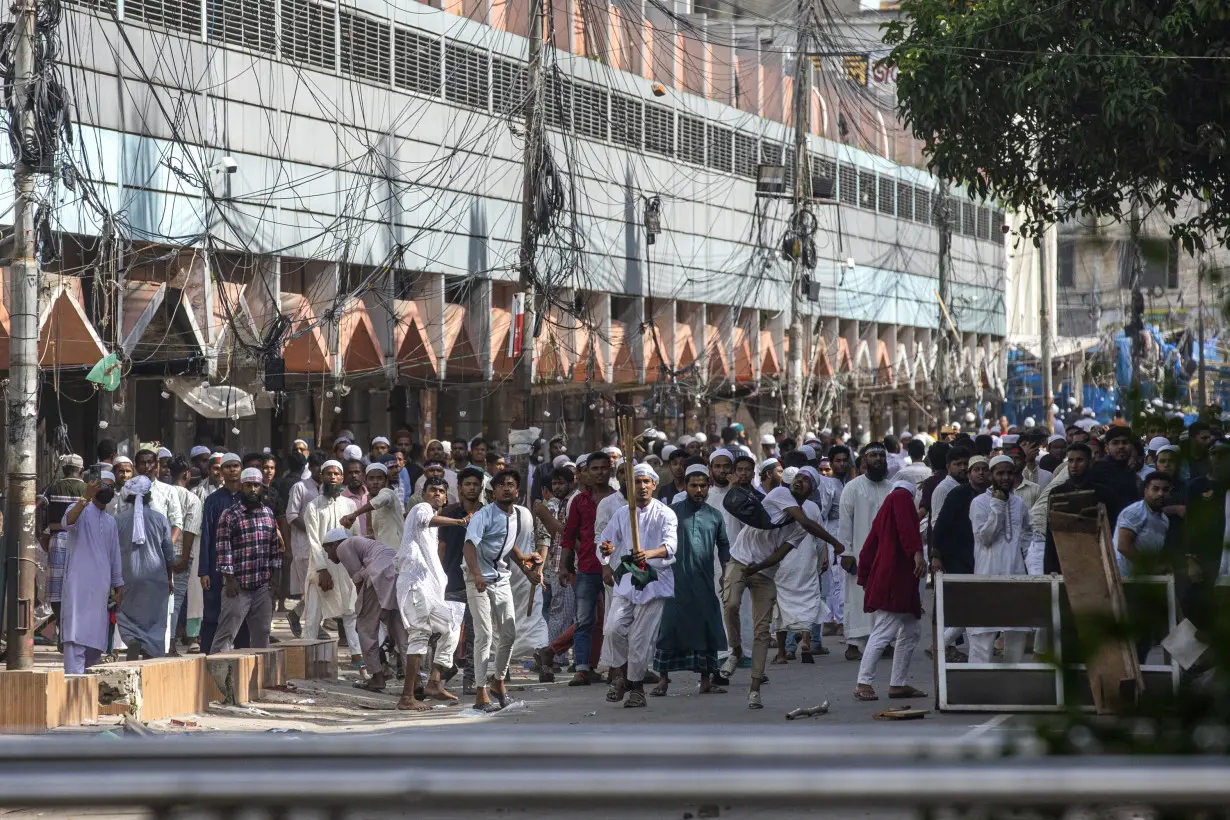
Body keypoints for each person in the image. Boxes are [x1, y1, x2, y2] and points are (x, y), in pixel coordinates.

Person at [722, 468, 836, 708]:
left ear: (812, 490)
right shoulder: (781, 493)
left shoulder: (797, 528)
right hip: (740, 559)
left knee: (762, 630)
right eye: (799, 478)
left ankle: (755, 690)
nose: (800, 482)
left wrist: (759, 567)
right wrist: (835, 543)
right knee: (731, 604)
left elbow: (778, 555)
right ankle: (735, 651)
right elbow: (805, 521)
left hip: (764, 571)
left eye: (806, 481)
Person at [598, 463, 677, 708]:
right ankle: (625, 678)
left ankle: (637, 689)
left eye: (646, 482)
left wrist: (649, 553)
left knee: (640, 640)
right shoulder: (622, 514)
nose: (641, 487)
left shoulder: (665, 513)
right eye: (636, 482)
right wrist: (607, 552)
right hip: (628, 581)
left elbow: (671, 546)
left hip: (655, 582)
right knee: (613, 630)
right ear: (629, 486)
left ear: (654, 485)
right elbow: (606, 540)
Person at [463, 469, 539, 711]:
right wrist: (476, 574)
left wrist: (526, 563)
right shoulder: (483, 515)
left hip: (501, 578)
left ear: (517, 491)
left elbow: (508, 543)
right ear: (493, 491)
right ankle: (480, 693)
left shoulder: (516, 514)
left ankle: (498, 682)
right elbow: (468, 545)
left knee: (508, 634)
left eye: (511, 484)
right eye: (502, 485)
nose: (507, 488)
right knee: (484, 635)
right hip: (477, 579)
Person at [653, 464, 729, 696]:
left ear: (708, 487)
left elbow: (724, 546)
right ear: (685, 486)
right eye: (694, 485)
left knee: (706, 627)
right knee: (669, 629)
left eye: (703, 485)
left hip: (704, 581)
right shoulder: (671, 512)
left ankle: (706, 680)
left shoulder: (715, 516)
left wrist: (727, 572)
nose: (698, 490)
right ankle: (663, 680)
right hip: (674, 580)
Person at [398, 476, 470, 708]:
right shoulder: (421, 509)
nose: (437, 494)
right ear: (423, 494)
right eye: (432, 490)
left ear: (446, 497)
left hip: (430, 589)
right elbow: (427, 520)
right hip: (415, 585)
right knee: (419, 635)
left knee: (450, 627)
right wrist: (460, 522)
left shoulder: (434, 525)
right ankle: (407, 697)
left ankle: (434, 682)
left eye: (441, 491)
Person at [854, 477, 928, 701]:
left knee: (910, 630)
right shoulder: (902, 498)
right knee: (884, 630)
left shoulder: (888, 504)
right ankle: (863, 682)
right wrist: (916, 551)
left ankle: (898, 683)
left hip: (893, 577)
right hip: (897, 578)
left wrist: (864, 575)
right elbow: (907, 527)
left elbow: (869, 544)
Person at [321, 529, 405, 694]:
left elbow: (359, 580)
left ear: (333, 544)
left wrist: (362, 609)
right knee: (398, 626)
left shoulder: (343, 546)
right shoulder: (361, 543)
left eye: (327, 551)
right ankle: (414, 680)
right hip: (396, 571)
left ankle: (377, 677)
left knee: (364, 627)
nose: (329, 557)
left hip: (377, 573)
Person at [210, 467, 281, 653]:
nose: (252, 490)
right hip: (238, 586)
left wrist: (275, 578)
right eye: (248, 485)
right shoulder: (230, 514)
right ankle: (217, 677)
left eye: (256, 485)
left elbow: (274, 548)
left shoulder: (268, 514)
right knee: (226, 634)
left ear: (261, 488)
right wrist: (229, 579)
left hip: (262, 586)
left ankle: (261, 679)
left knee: (263, 633)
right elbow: (223, 548)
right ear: (242, 487)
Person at [968, 455, 1031, 664]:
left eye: (1009, 473)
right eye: (1000, 473)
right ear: (991, 475)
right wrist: (997, 506)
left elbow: (1027, 534)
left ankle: (1014, 689)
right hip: (987, 576)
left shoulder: (1019, 503)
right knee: (982, 636)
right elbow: (985, 538)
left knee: (1016, 635)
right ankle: (978, 689)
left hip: (1016, 576)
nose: (1005, 477)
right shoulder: (979, 503)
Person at [59, 475, 124, 674]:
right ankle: (71, 691)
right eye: (104, 484)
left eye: (111, 486)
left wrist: (119, 587)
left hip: (100, 591)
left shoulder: (111, 521)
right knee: (75, 639)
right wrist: (84, 498)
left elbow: (115, 556)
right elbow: (66, 522)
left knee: (95, 645)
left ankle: (87, 699)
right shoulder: (80, 509)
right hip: (78, 588)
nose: (108, 489)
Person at [560, 451, 614, 686]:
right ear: (587, 472)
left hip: (616, 567)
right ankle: (582, 668)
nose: (600, 472)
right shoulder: (580, 501)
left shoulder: (619, 500)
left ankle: (617, 667)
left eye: (604, 468)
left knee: (615, 619)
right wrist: (564, 565)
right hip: (586, 567)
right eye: (595, 468)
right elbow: (569, 535)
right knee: (584, 619)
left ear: (610, 470)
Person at [837, 443, 894, 660]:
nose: (878, 459)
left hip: (887, 554)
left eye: (881, 455)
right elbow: (845, 523)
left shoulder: (892, 488)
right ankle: (853, 642)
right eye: (873, 456)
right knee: (856, 596)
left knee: (884, 598)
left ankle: (883, 640)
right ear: (864, 461)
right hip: (859, 553)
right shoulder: (852, 488)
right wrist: (846, 553)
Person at [932, 455, 991, 661]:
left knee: (977, 605)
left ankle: (944, 644)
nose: (981, 473)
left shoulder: (995, 495)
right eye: (977, 469)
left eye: (985, 469)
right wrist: (936, 555)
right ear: (970, 474)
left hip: (983, 557)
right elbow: (940, 527)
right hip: (958, 556)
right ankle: (943, 644)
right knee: (969, 604)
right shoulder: (957, 494)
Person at [304, 460, 363, 667]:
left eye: (336, 473)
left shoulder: (350, 505)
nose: (332, 477)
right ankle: (306, 659)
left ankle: (357, 656)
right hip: (322, 568)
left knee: (350, 612)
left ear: (342, 478)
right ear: (321, 477)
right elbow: (313, 540)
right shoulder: (313, 506)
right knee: (313, 615)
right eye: (328, 473)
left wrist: (358, 567)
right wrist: (322, 569)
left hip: (346, 568)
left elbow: (356, 537)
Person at [115, 476, 176, 659]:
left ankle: (133, 640)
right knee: (155, 620)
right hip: (156, 577)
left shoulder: (117, 520)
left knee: (127, 614)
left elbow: (112, 553)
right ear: (149, 496)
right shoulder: (160, 519)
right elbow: (169, 555)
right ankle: (150, 653)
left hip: (128, 576)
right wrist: (169, 578)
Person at [439, 466, 486, 693]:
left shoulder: (488, 513)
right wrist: (439, 576)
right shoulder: (449, 512)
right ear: (459, 488)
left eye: (475, 484)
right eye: (467, 484)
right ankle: (443, 672)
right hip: (452, 578)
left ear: (481, 487)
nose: (471, 488)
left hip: (478, 579)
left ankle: (471, 679)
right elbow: (442, 546)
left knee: (476, 633)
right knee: (447, 630)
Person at [197, 453, 245, 655]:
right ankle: (209, 655)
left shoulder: (248, 497)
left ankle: (243, 653)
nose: (232, 470)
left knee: (242, 612)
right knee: (212, 613)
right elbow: (206, 535)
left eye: (235, 466)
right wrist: (204, 571)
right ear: (221, 471)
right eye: (228, 467)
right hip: (216, 565)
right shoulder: (213, 500)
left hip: (243, 564)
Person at [38, 454, 87, 640]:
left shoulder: (51, 488)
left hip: (57, 538)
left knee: (56, 587)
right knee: (78, 585)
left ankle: (60, 622)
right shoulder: (86, 489)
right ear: (81, 470)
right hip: (81, 541)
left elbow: (36, 506)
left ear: (64, 469)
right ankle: (74, 627)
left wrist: (41, 533)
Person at [166, 458, 203, 655]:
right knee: (176, 601)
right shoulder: (192, 499)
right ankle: (169, 643)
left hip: (161, 554)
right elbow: (189, 531)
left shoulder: (162, 493)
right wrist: (184, 557)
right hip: (181, 555)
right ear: (187, 474)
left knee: (163, 600)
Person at [285, 453, 323, 638]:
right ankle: (314, 625)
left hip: (324, 548)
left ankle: (297, 614)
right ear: (312, 467)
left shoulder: (327, 489)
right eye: (318, 467)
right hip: (304, 546)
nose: (321, 472)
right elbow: (291, 516)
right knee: (310, 587)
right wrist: (311, 530)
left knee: (321, 587)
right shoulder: (299, 487)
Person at [340, 462, 404, 549]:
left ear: (385, 481)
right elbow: (378, 535)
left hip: (398, 552)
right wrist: (356, 540)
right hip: (384, 554)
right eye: (371, 478)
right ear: (365, 481)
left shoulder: (388, 493)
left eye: (380, 478)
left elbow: (380, 500)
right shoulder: (373, 504)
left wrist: (355, 514)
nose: (375, 482)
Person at [340, 459, 369, 536]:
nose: (354, 475)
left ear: (363, 474)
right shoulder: (340, 499)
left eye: (357, 472)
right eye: (350, 473)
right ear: (344, 476)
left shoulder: (371, 495)